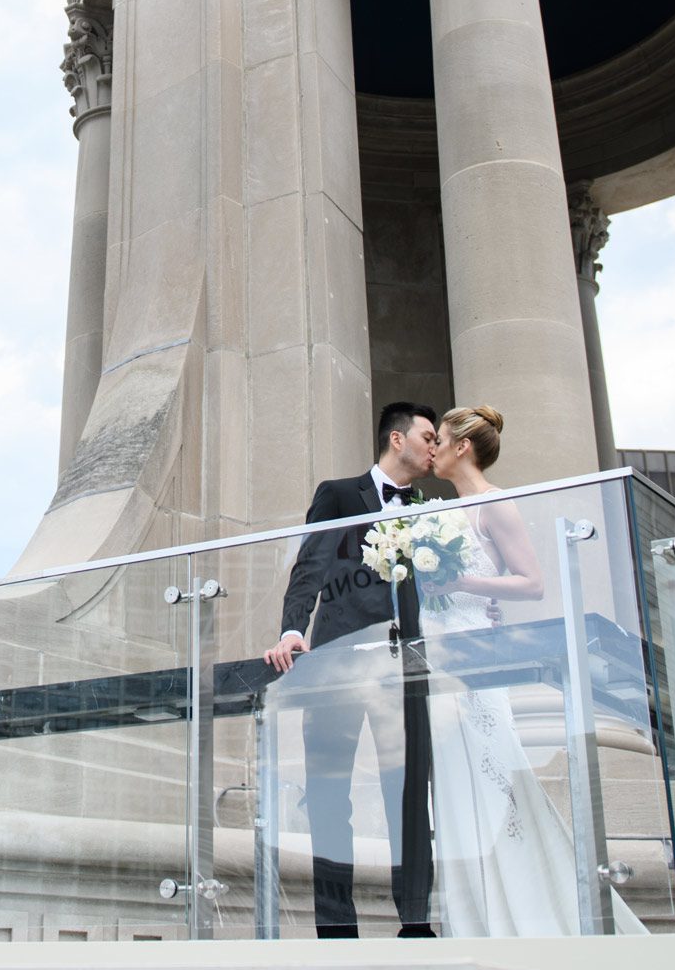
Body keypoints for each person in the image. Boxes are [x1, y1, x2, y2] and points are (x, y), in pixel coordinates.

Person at [420, 404, 646, 936]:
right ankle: (471, 915)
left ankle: (530, 911)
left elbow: (532, 582)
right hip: (438, 655)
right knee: (452, 784)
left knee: (495, 775)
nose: (431, 450)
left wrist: (459, 585)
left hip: (475, 656)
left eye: (441, 439)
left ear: (462, 448)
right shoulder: (439, 510)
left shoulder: (496, 505)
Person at [262, 401, 438, 939]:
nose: (435, 446)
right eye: (428, 436)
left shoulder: (433, 507)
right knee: (330, 797)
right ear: (396, 439)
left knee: (407, 796)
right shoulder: (339, 494)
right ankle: (336, 929)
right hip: (338, 666)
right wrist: (294, 628)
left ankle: (416, 923)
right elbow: (310, 565)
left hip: (405, 670)